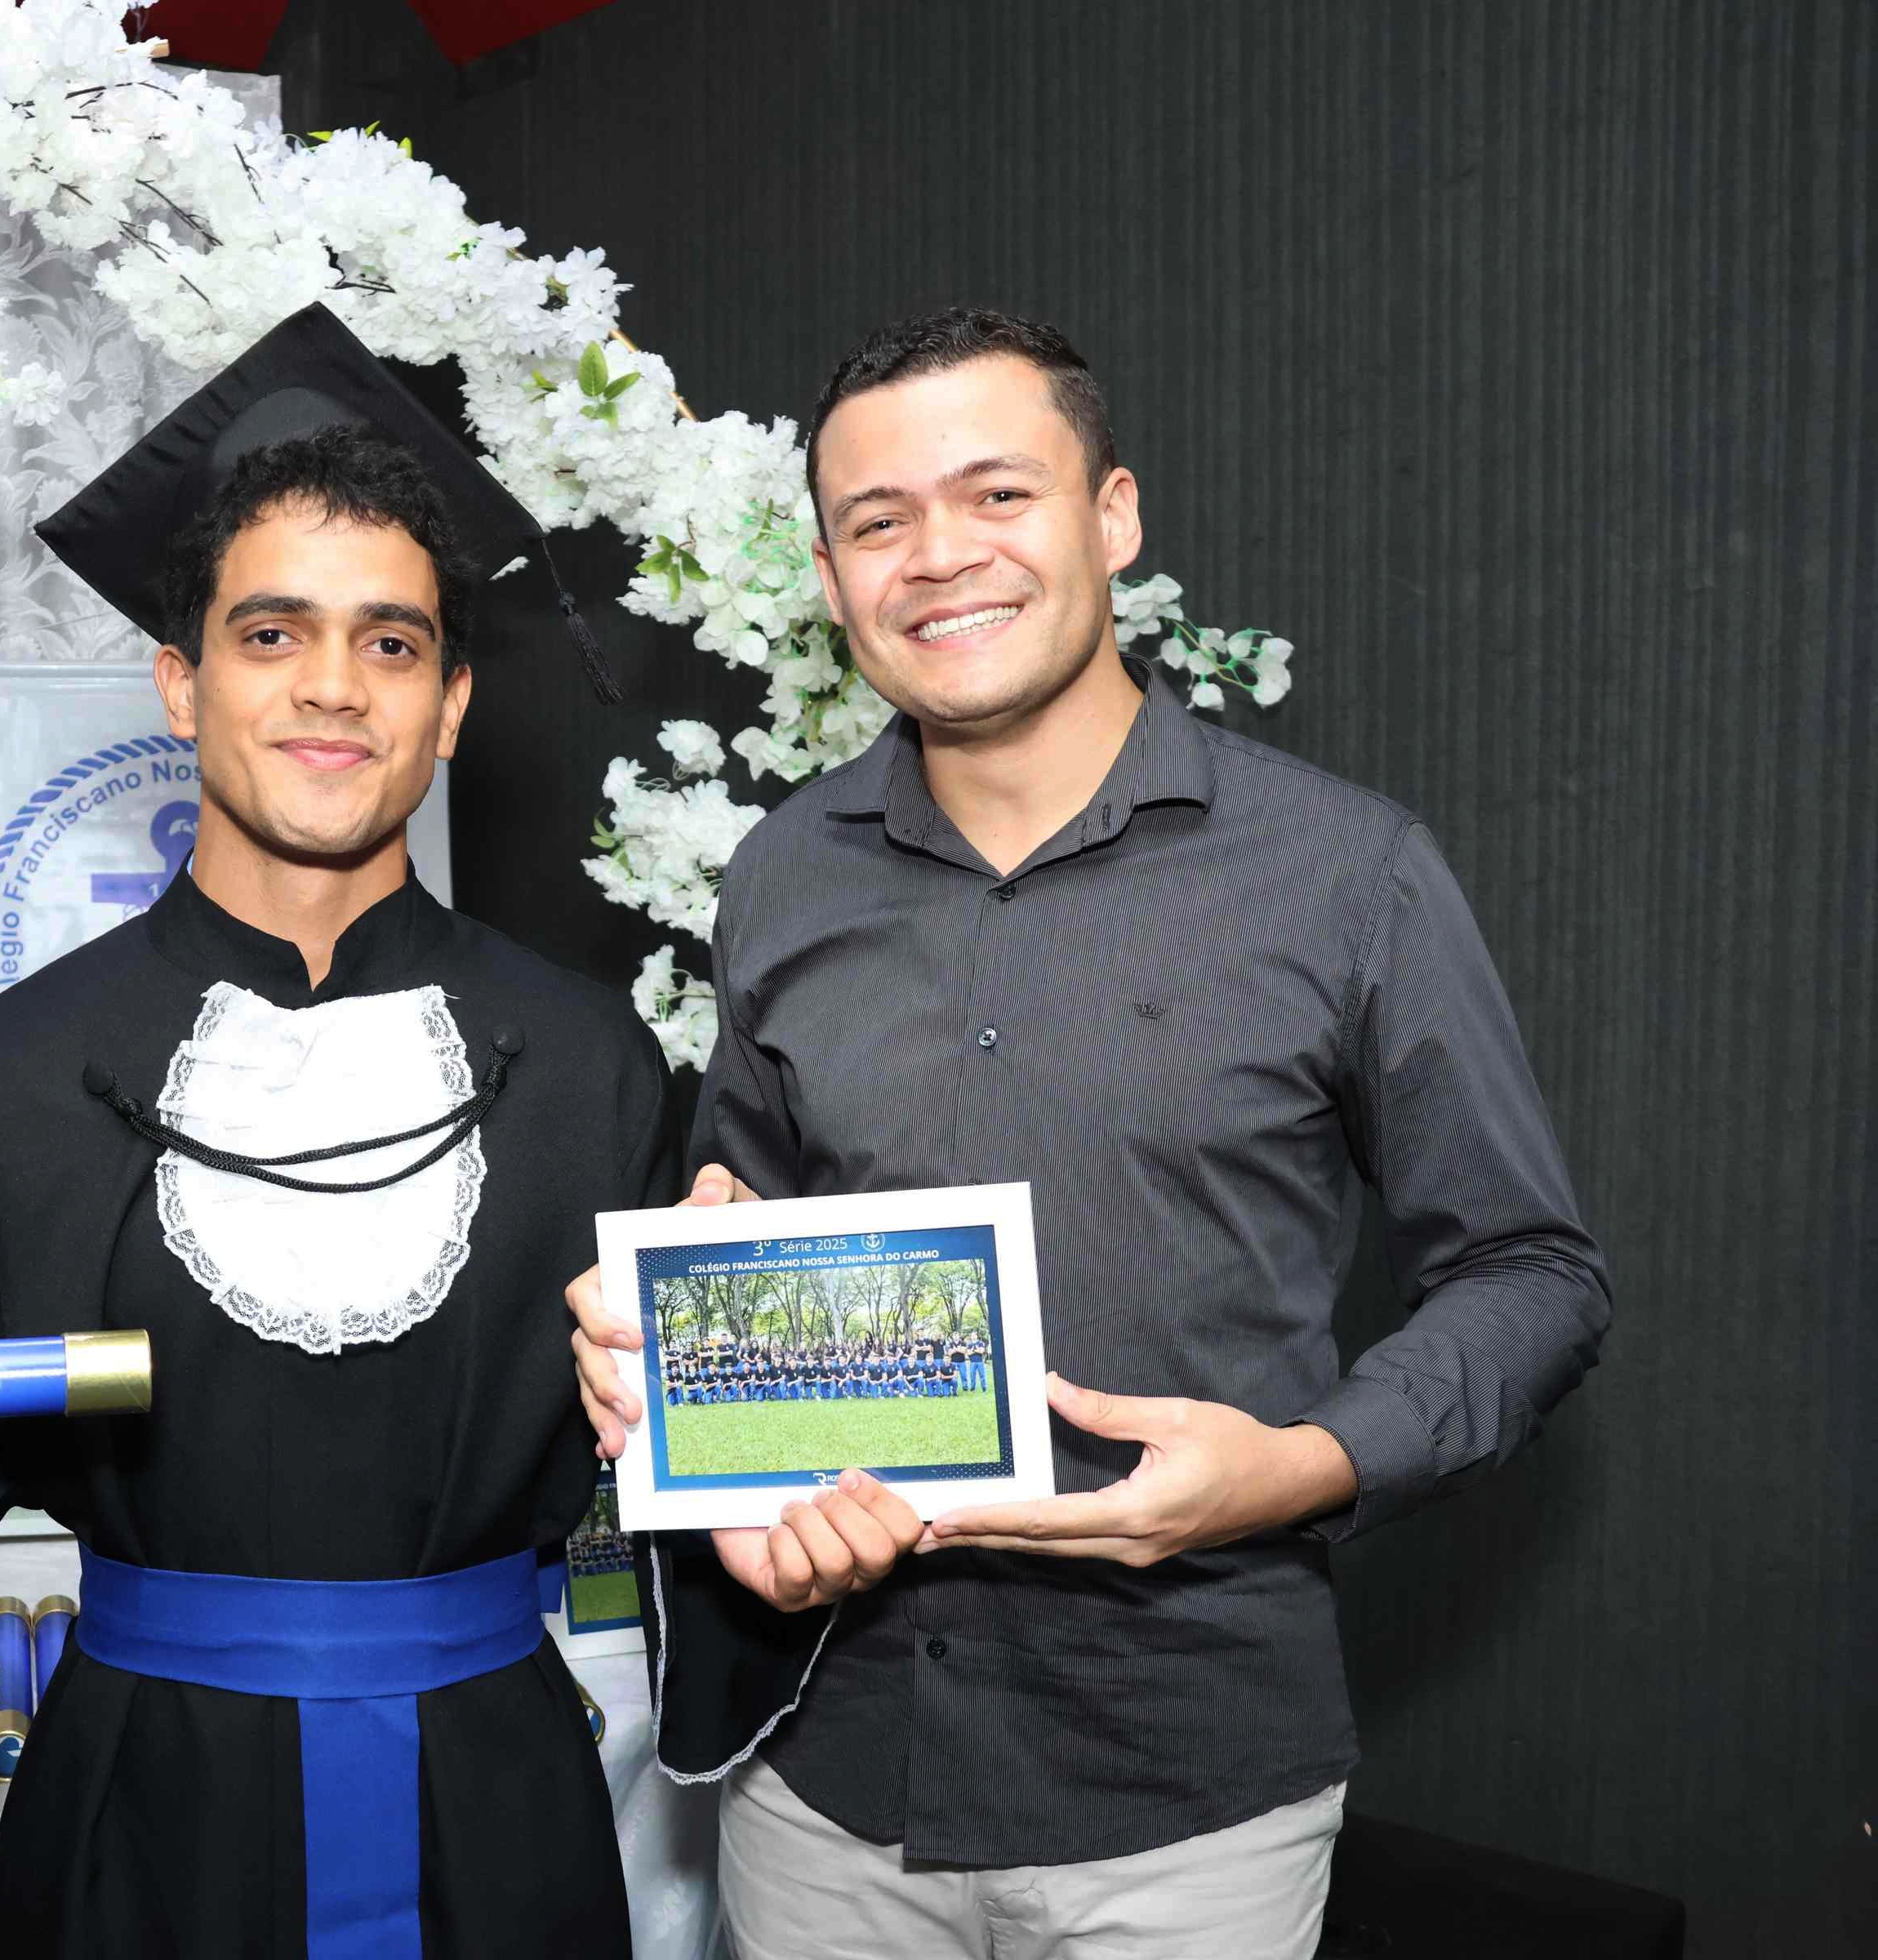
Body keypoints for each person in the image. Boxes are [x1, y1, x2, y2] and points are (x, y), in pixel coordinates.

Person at [565, 309, 1609, 1958]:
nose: (939, 557)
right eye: (879, 521)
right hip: (829, 1786)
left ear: (1112, 516)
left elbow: (1534, 1275)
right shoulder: (781, 875)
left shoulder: (1345, 874)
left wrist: (1303, 1466)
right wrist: (656, 1364)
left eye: (999, 494)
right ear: (830, 577)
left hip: (1190, 1799)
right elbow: (739, 1248)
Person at [0, 305, 676, 1958]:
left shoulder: (596, 1066)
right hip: (135, 1814)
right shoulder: (14, 1071)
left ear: (450, 705)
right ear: (181, 682)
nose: (333, 690)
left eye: (392, 645)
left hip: (498, 1800)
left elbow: (682, 1479)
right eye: (273, 633)